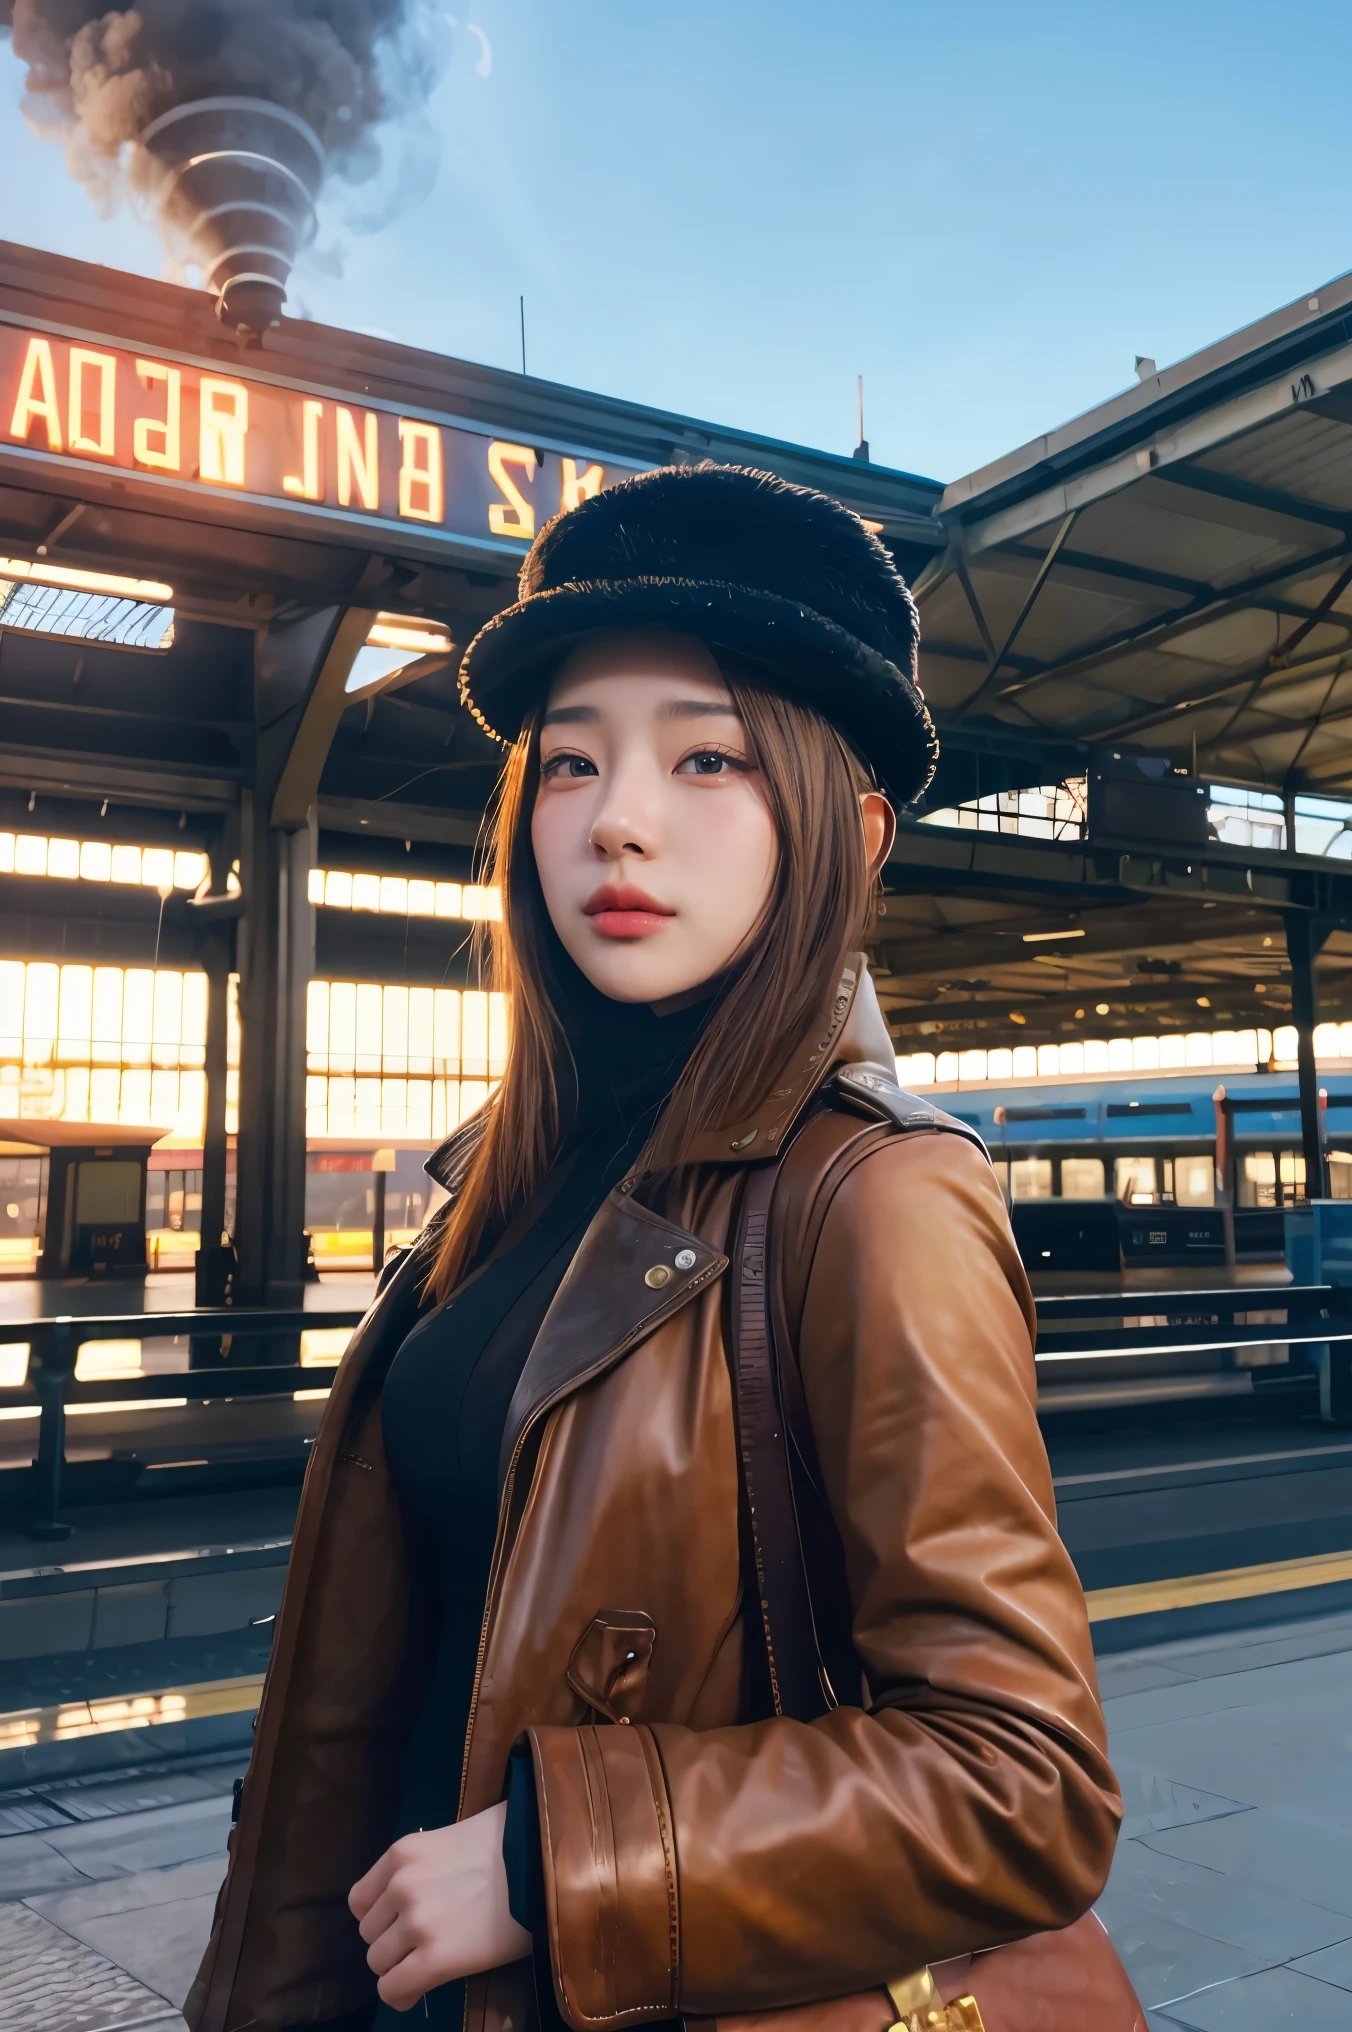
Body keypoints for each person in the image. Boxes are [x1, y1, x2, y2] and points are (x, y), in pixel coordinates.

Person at [187, 464, 1121, 2032]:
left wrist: (563, 1865)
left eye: (707, 757)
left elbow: (1024, 1780)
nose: (616, 818)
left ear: (851, 826)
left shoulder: (876, 1195)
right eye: (570, 765)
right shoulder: (505, 1178)